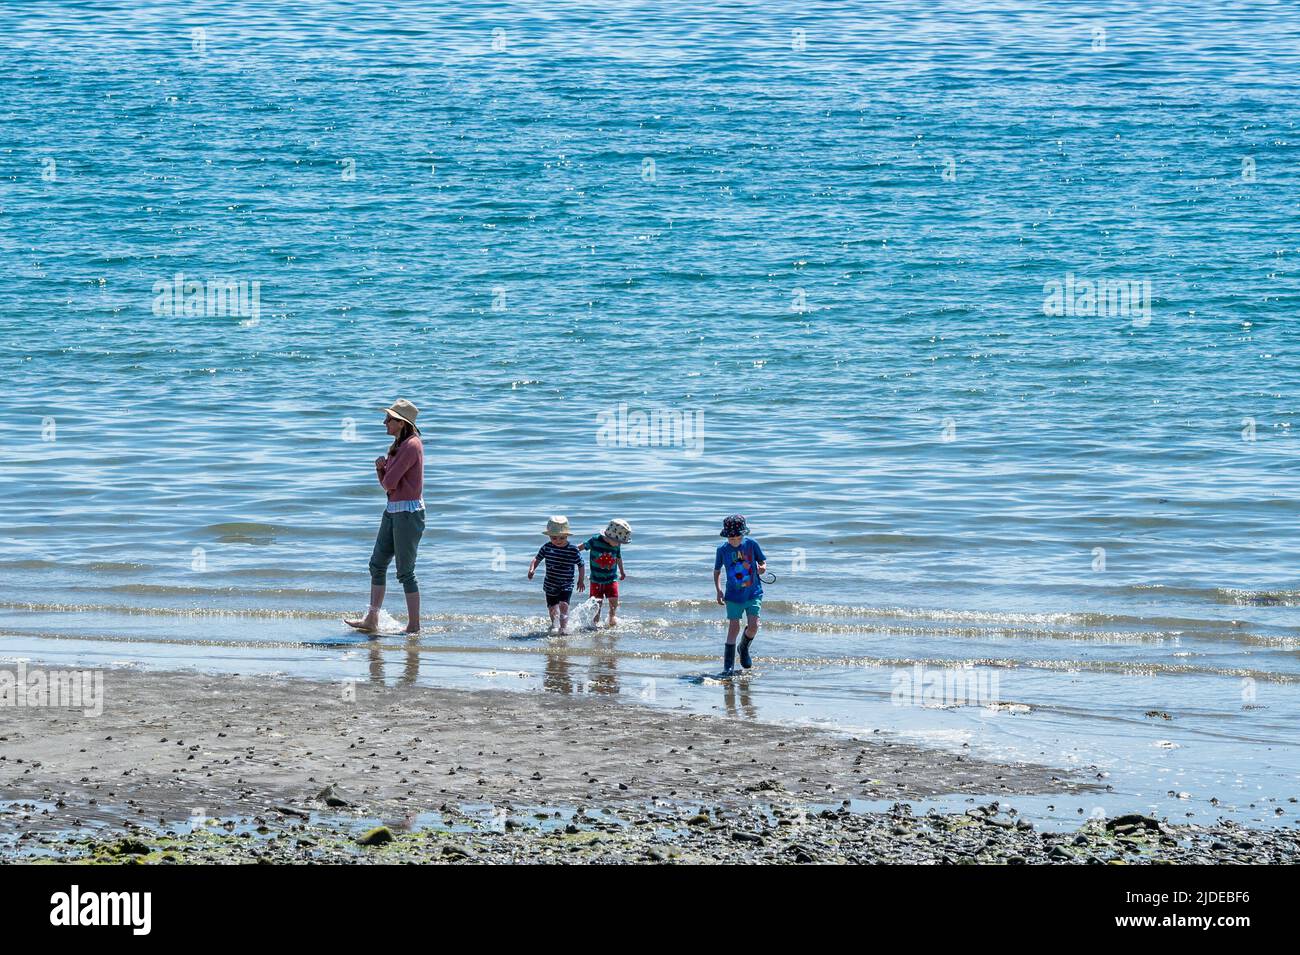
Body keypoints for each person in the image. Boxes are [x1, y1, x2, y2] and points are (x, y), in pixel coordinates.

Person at [345, 399, 425, 634]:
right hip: (392, 511)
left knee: (405, 572)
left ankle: (414, 626)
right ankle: (372, 619)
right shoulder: (398, 446)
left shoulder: (412, 445)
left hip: (409, 514)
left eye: (388, 419)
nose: (384, 422)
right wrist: (383, 470)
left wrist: (381, 469)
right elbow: (388, 486)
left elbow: (388, 483)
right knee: (377, 564)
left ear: (400, 423)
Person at [713, 514, 766, 673]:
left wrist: (763, 567)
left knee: (753, 627)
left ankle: (743, 648)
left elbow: (762, 561)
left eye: (737, 538)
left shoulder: (752, 545)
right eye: (731, 538)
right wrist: (718, 590)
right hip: (733, 597)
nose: (734, 541)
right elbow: (717, 571)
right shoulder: (722, 550)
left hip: (753, 593)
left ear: (744, 534)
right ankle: (728, 668)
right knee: (733, 629)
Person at [528, 516, 584, 634]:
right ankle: (554, 625)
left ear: (567, 536)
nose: (558, 540)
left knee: (564, 605)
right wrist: (532, 569)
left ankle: (563, 628)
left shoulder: (573, 549)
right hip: (550, 583)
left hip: (566, 583)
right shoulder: (547, 547)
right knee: (552, 607)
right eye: (554, 538)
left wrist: (581, 580)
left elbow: (581, 564)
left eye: (562, 538)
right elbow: (537, 559)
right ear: (549, 536)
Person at [578, 519, 630, 628]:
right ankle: (595, 623)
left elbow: (618, 558)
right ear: (611, 537)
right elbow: (582, 546)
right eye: (619, 541)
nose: (620, 544)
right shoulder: (595, 540)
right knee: (597, 604)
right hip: (596, 580)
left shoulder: (616, 545)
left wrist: (622, 571)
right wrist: (571, 551)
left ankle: (612, 617)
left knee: (614, 600)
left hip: (611, 578)